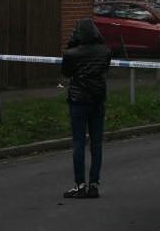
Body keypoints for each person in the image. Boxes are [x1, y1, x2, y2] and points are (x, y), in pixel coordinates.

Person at [61, 18, 113, 199]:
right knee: (96, 144)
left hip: (78, 101)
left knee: (78, 143)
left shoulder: (71, 54)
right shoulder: (105, 52)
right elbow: (105, 70)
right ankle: (94, 184)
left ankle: (79, 184)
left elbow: (66, 72)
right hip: (97, 101)